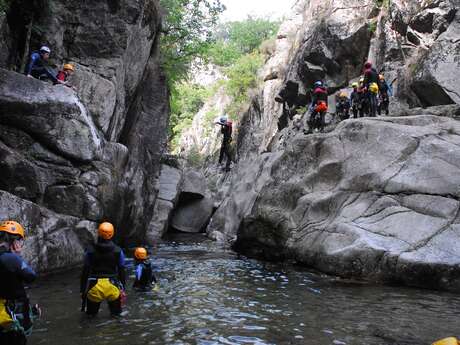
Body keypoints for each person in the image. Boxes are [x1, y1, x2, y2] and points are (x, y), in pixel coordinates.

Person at [0, 221, 40, 345]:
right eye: (20, 242)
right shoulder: (10, 258)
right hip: (9, 316)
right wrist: (18, 256)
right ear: (15, 242)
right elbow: (31, 276)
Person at [80, 222, 126, 317]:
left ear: (99, 233)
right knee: (116, 317)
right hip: (112, 286)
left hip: (94, 286)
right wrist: (123, 289)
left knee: (90, 317)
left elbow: (85, 272)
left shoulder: (90, 251)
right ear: (112, 234)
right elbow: (122, 271)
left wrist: (82, 290)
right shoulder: (118, 251)